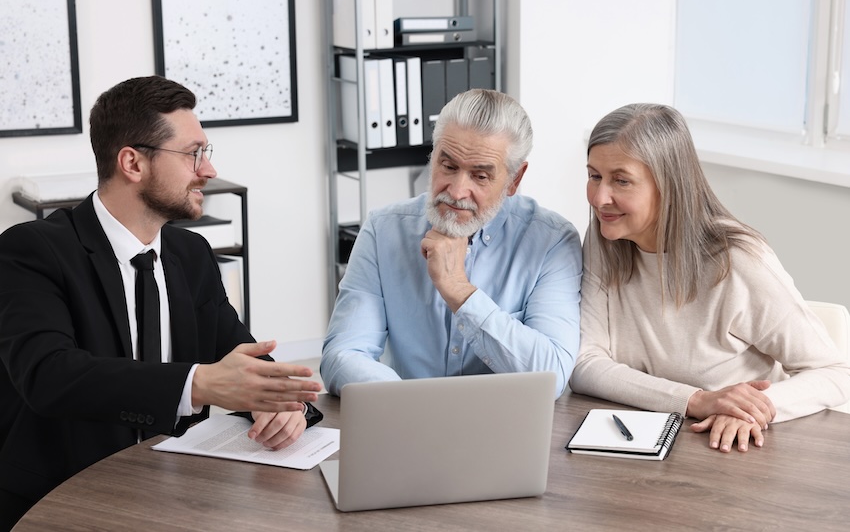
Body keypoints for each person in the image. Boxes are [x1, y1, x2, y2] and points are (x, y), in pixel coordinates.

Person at [0, 75, 323, 528]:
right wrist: (198, 385)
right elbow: (49, 375)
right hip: (64, 500)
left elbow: (241, 358)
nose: (207, 170)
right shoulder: (33, 249)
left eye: (206, 153)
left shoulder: (190, 256)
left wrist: (283, 405)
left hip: (177, 491)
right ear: (132, 163)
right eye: (193, 154)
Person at [569, 103, 850, 453]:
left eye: (621, 180)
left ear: (668, 184)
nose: (599, 198)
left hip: (736, 449)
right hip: (643, 439)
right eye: (594, 175)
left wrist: (750, 410)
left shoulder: (738, 261)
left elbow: (835, 372)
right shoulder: (605, 237)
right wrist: (697, 400)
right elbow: (584, 365)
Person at [320, 89, 582, 397]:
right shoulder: (383, 230)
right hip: (408, 421)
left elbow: (551, 377)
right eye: (448, 166)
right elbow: (342, 354)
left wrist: (459, 289)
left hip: (506, 428)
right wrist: (410, 404)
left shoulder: (552, 241)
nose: (457, 192)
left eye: (480, 176)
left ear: (514, 180)